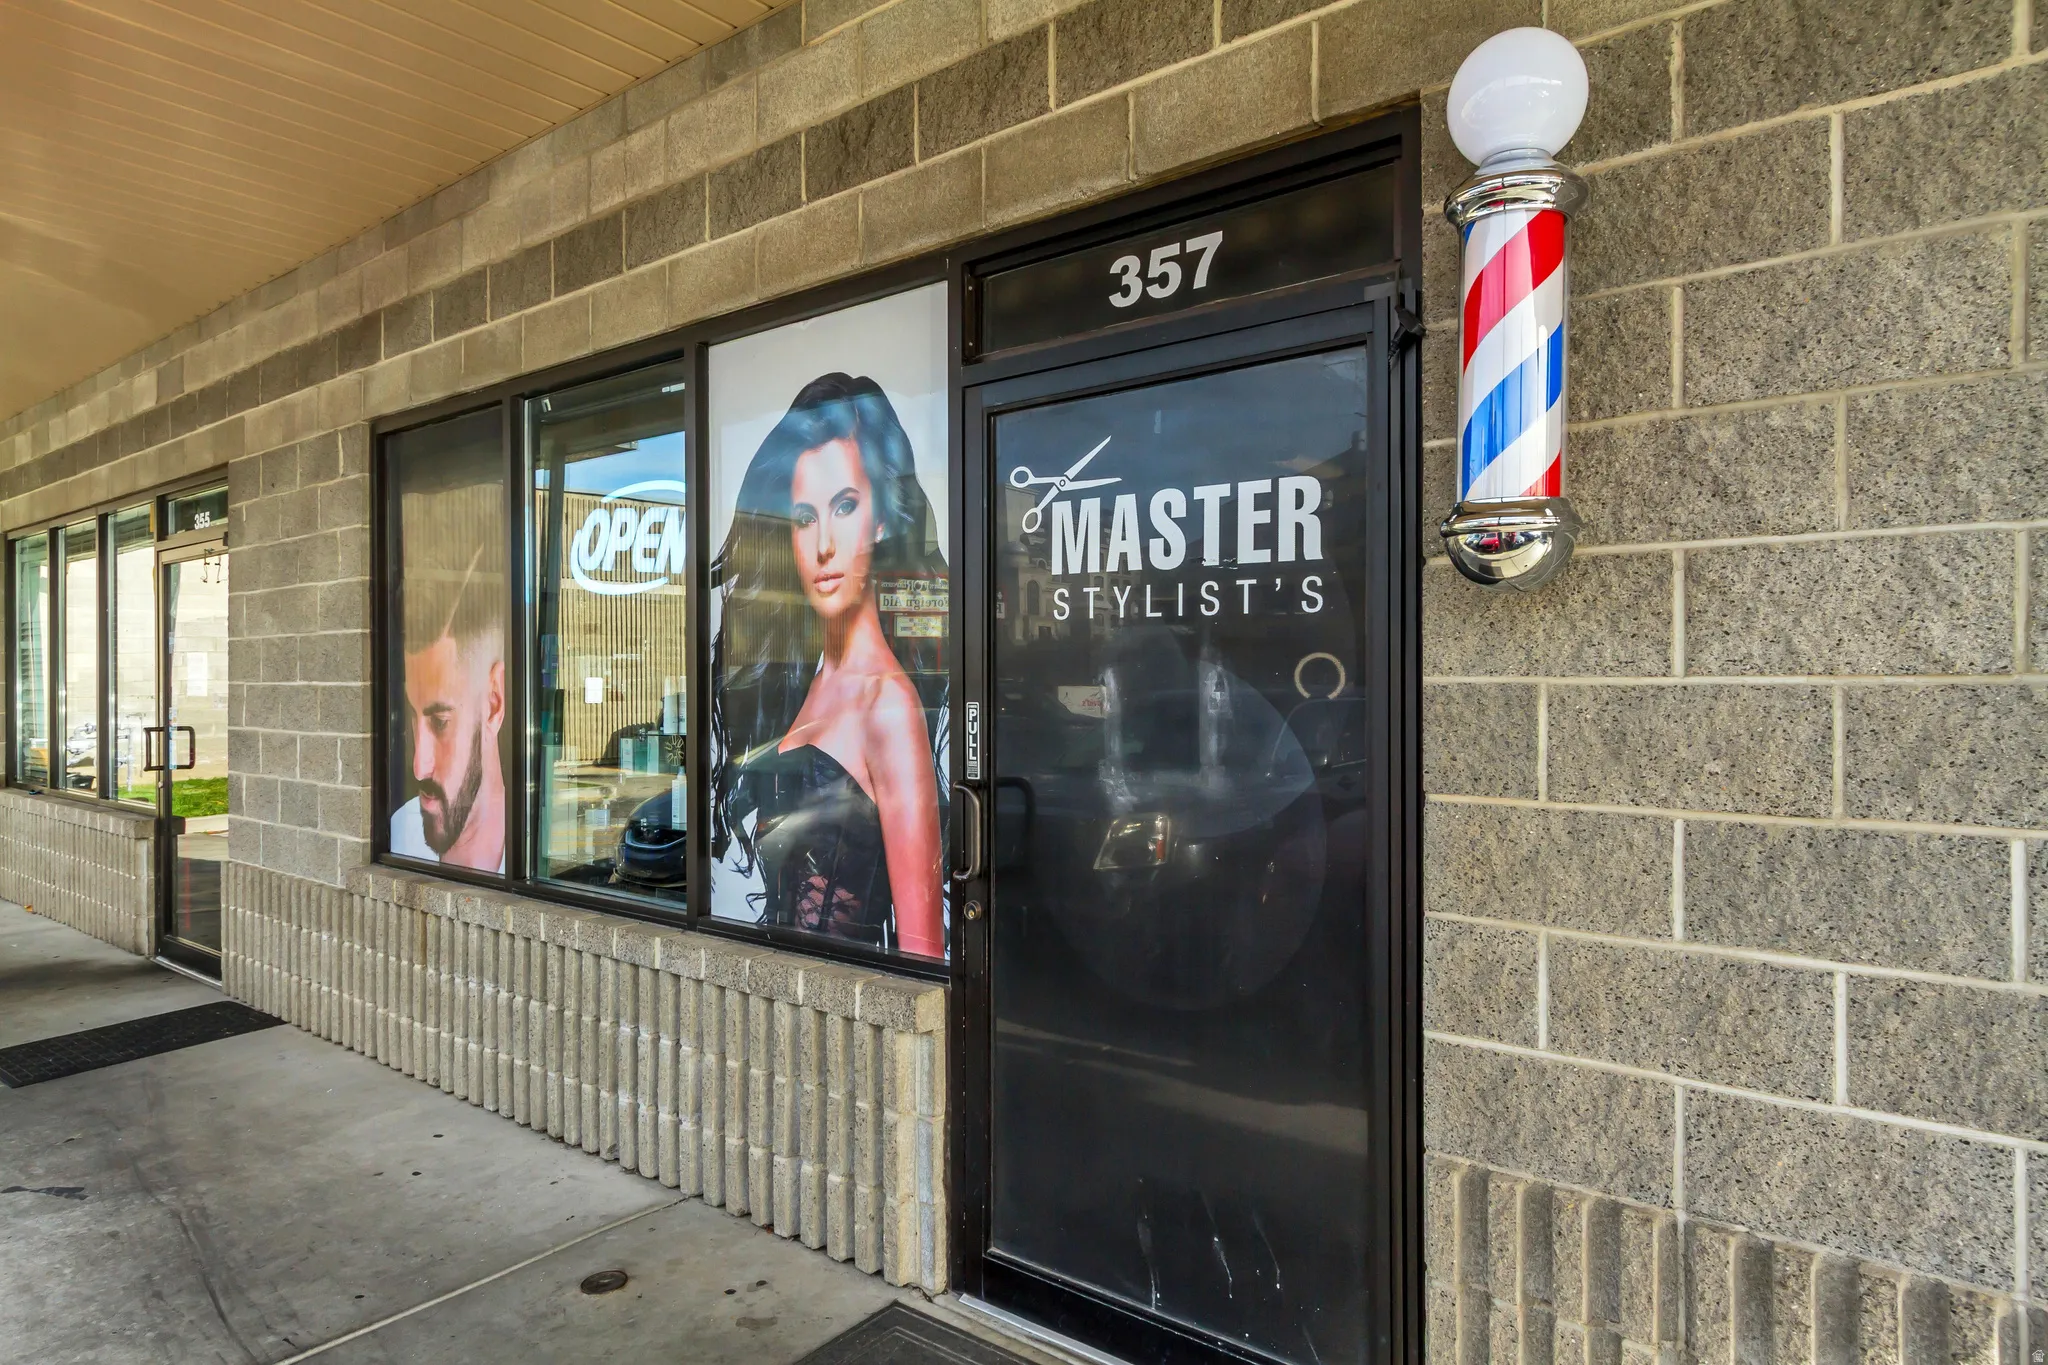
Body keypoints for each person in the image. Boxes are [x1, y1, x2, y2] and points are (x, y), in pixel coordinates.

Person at [710, 373, 946, 957]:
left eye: (845, 506)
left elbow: (923, 956)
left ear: (883, 520)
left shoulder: (887, 706)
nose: (822, 548)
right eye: (803, 518)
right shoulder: (808, 684)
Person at [391, 540, 508, 875]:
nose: (419, 766)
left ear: (493, 703)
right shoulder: (399, 834)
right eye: (412, 717)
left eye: (440, 722)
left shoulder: (541, 852)